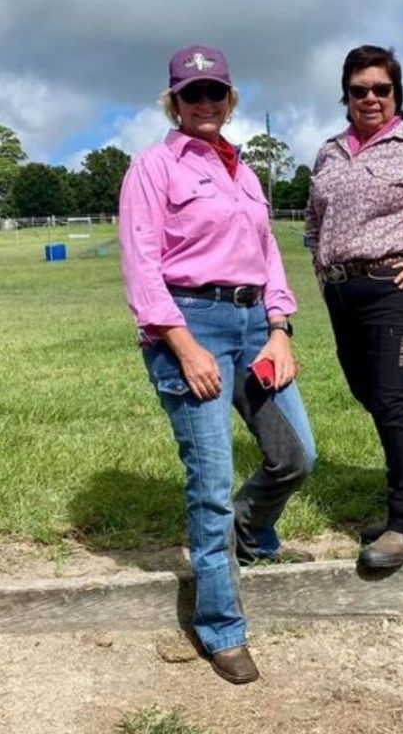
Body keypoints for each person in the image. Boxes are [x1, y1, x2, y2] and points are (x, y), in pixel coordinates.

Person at [119, 44, 316, 684]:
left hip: (256, 323)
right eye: (191, 94)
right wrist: (181, 342)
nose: (204, 104)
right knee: (210, 481)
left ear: (231, 101)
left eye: (215, 93)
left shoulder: (247, 173)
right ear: (173, 103)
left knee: (295, 456)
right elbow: (141, 262)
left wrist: (280, 327)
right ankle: (221, 626)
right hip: (190, 324)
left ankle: (252, 533)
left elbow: (269, 257)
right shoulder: (153, 168)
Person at [306, 45, 403, 570]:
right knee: (367, 393)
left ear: (397, 94)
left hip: (394, 286)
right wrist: (323, 276)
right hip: (341, 290)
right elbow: (313, 223)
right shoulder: (329, 152)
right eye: (359, 90)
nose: (370, 98)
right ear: (345, 96)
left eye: (381, 89)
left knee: (394, 400)